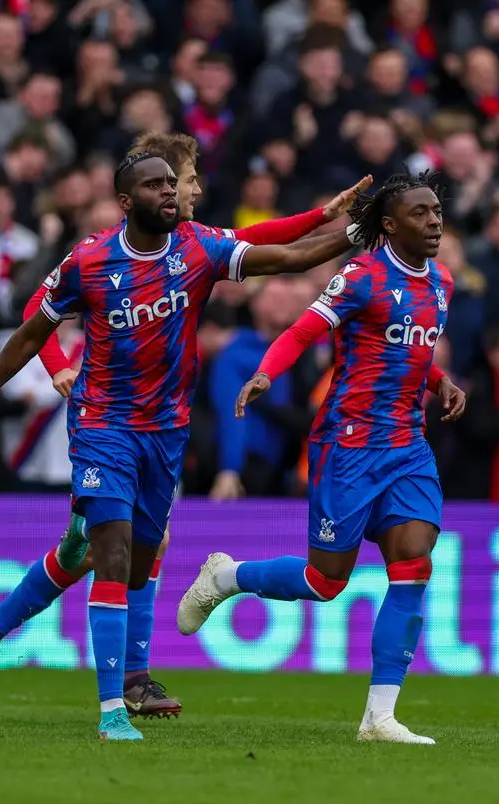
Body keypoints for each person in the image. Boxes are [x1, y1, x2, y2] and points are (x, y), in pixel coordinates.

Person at [0, 152, 361, 741]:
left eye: (174, 183)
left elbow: (288, 254)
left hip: (165, 432)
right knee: (110, 555)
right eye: (157, 185)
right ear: (125, 201)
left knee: (118, 557)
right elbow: (30, 332)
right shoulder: (88, 260)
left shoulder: (197, 248)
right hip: (103, 427)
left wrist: (364, 228)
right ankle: (116, 704)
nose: (171, 193)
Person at [174, 173, 468, 745]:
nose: (435, 221)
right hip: (349, 443)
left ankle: (379, 717)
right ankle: (226, 576)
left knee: (413, 562)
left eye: (437, 211)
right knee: (326, 581)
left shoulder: (442, 282)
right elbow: (303, 332)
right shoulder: (360, 277)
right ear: (388, 225)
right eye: (421, 213)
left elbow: (407, 349)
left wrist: (439, 381)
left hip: (406, 444)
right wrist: (265, 373)